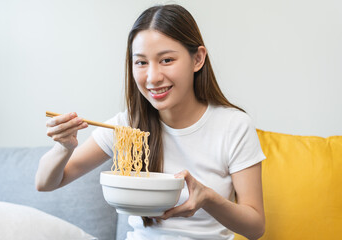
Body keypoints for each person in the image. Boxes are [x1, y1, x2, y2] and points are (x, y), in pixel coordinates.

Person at [35, 4, 265, 240]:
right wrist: (64, 147)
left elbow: (256, 227)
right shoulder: (128, 126)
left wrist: (208, 198)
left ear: (197, 59)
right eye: (141, 62)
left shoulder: (233, 125)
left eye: (166, 60)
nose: (152, 78)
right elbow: (45, 182)